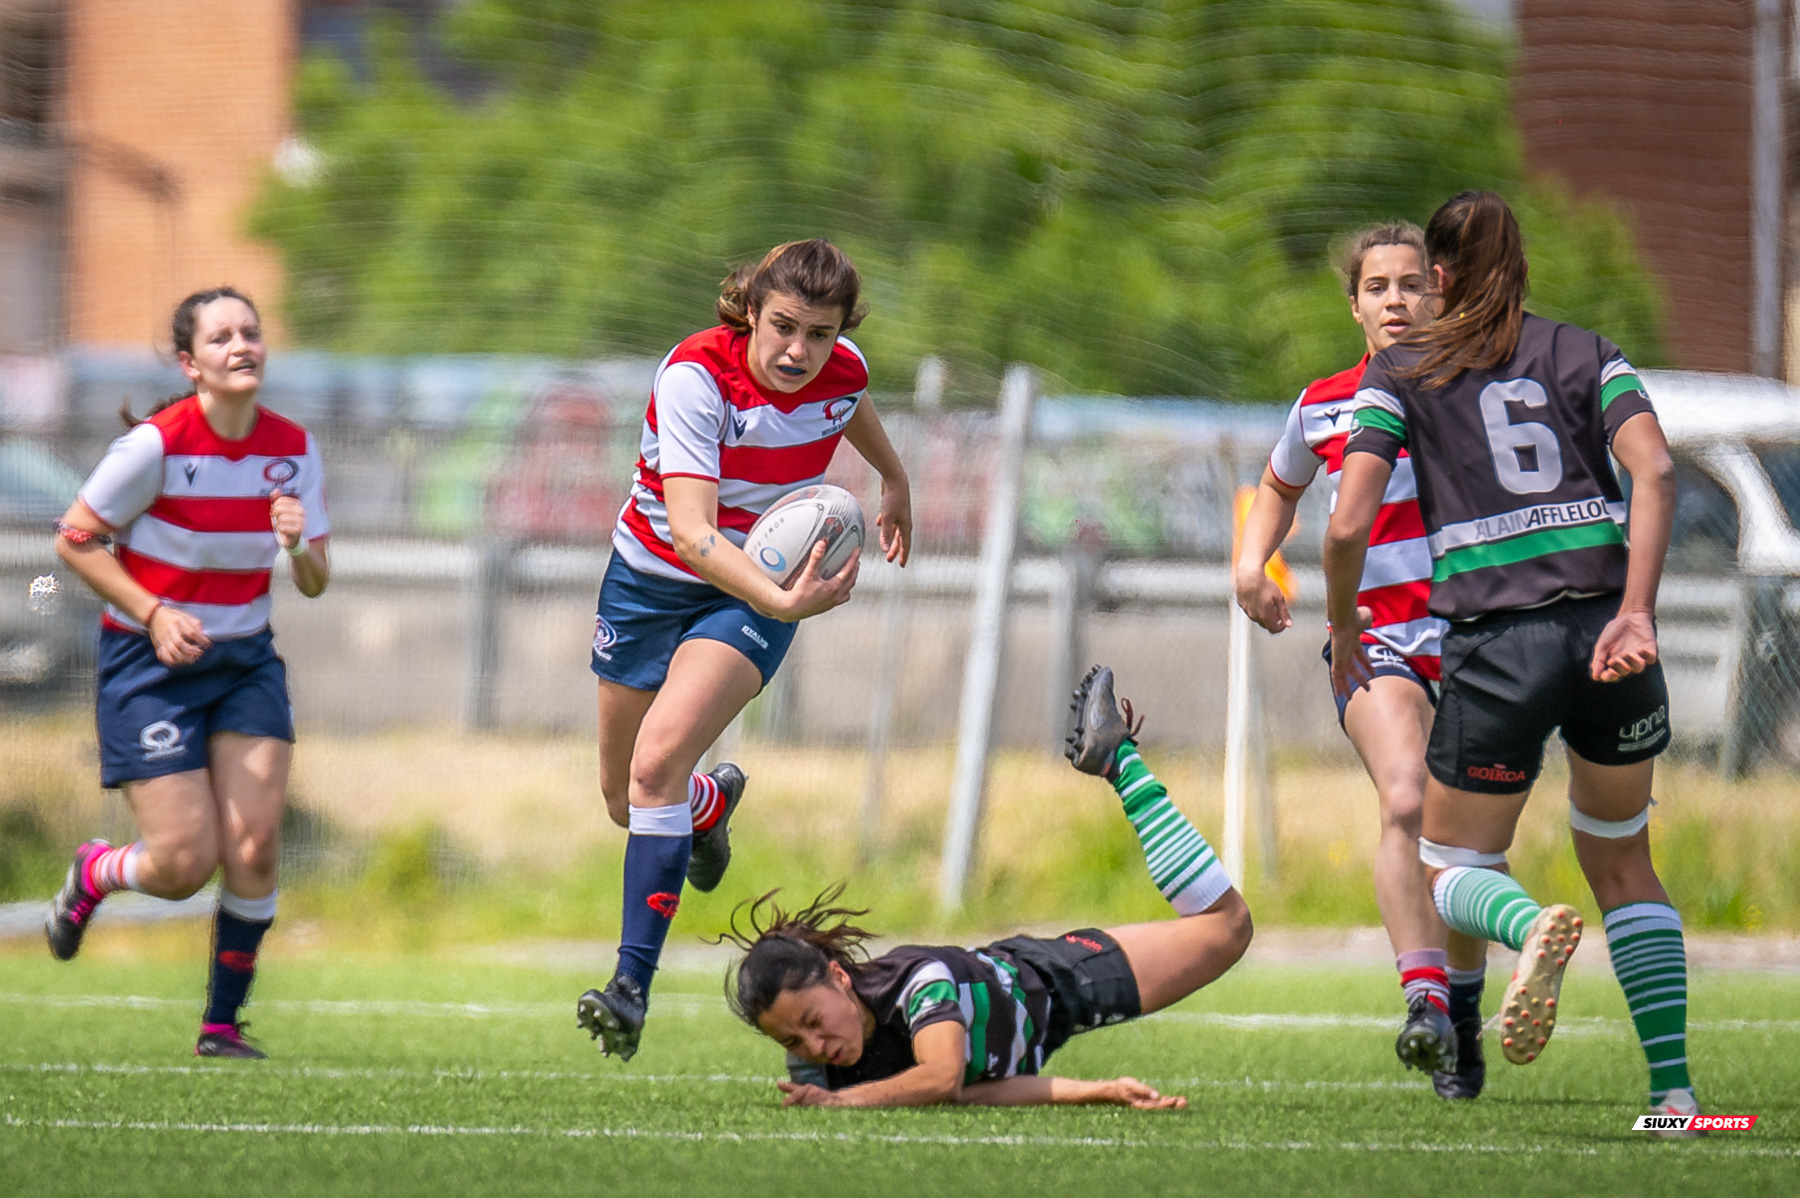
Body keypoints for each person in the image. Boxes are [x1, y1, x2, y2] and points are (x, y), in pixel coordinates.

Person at [1325, 191, 1696, 1133]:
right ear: (1521, 265)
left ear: (1439, 277)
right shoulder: (1585, 351)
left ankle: (1529, 927)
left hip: (1498, 647)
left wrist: (1343, 634)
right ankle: (1676, 1098)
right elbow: (1654, 470)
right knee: (1624, 863)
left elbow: (1347, 525)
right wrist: (1639, 610)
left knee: (1447, 864)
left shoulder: (1405, 370)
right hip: (1612, 636)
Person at [577, 239, 912, 1062]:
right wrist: (785, 598)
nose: (799, 352)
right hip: (654, 579)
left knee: (654, 763)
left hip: (748, 596)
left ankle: (629, 989)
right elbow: (692, 534)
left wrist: (895, 478)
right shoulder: (697, 377)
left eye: (821, 335)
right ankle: (704, 809)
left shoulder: (842, 369)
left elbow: (851, 401)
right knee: (627, 797)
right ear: (750, 312)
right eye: (784, 328)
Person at [719, 666, 1253, 1108]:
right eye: (791, 1040)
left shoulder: (918, 985)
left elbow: (942, 1079)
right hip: (1029, 1007)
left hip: (1062, 977)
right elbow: (973, 1091)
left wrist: (844, 1103)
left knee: (1228, 928)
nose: (814, 1046)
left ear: (838, 977)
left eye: (812, 1022)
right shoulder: (817, 1068)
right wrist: (1100, 1091)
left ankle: (1121, 764)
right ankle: (1117, 760)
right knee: (1224, 930)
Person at [1234, 224, 1489, 1097]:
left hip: (1479, 643)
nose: (1395, 300)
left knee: (1463, 847)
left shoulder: (1479, 394)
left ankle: (1462, 1006)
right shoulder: (1325, 404)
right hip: (1371, 638)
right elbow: (1278, 485)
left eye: (1412, 285)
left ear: (1441, 295)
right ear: (1355, 306)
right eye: (1377, 287)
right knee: (1407, 799)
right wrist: (1249, 563)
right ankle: (1424, 1000)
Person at [44, 287, 330, 1059]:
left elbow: (314, 580)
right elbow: (73, 540)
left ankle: (220, 1026)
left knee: (255, 848)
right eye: (222, 337)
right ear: (190, 363)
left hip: (244, 663)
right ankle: (97, 871)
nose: (242, 345)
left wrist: (298, 544)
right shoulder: (157, 447)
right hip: (152, 664)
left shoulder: (293, 448)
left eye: (251, 332)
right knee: (180, 864)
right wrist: (155, 613)